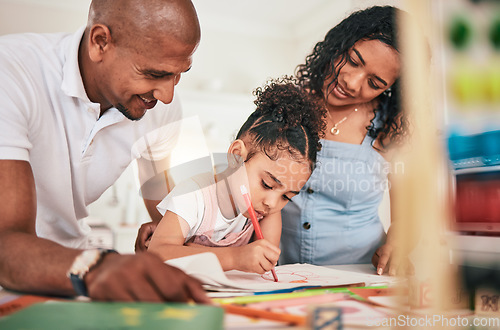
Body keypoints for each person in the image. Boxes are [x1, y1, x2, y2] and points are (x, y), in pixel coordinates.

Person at [0, 0, 210, 303]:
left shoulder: (162, 108)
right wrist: (100, 267)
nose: (167, 96)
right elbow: (6, 244)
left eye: (179, 75)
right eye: (153, 73)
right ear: (100, 42)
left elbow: (168, 213)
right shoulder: (12, 71)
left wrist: (174, 235)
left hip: (81, 279)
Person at [279, 6, 411, 276]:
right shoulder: (284, 106)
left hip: (358, 274)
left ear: (390, 88)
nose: (351, 82)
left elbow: (408, 210)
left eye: (374, 82)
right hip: (279, 274)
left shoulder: (391, 127)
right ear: (339, 44)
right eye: (352, 60)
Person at [148, 77, 326, 274]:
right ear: (236, 156)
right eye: (267, 184)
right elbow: (157, 254)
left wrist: (193, 251)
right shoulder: (194, 194)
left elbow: (264, 263)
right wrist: (235, 257)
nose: (273, 203)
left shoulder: (267, 210)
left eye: (287, 197)